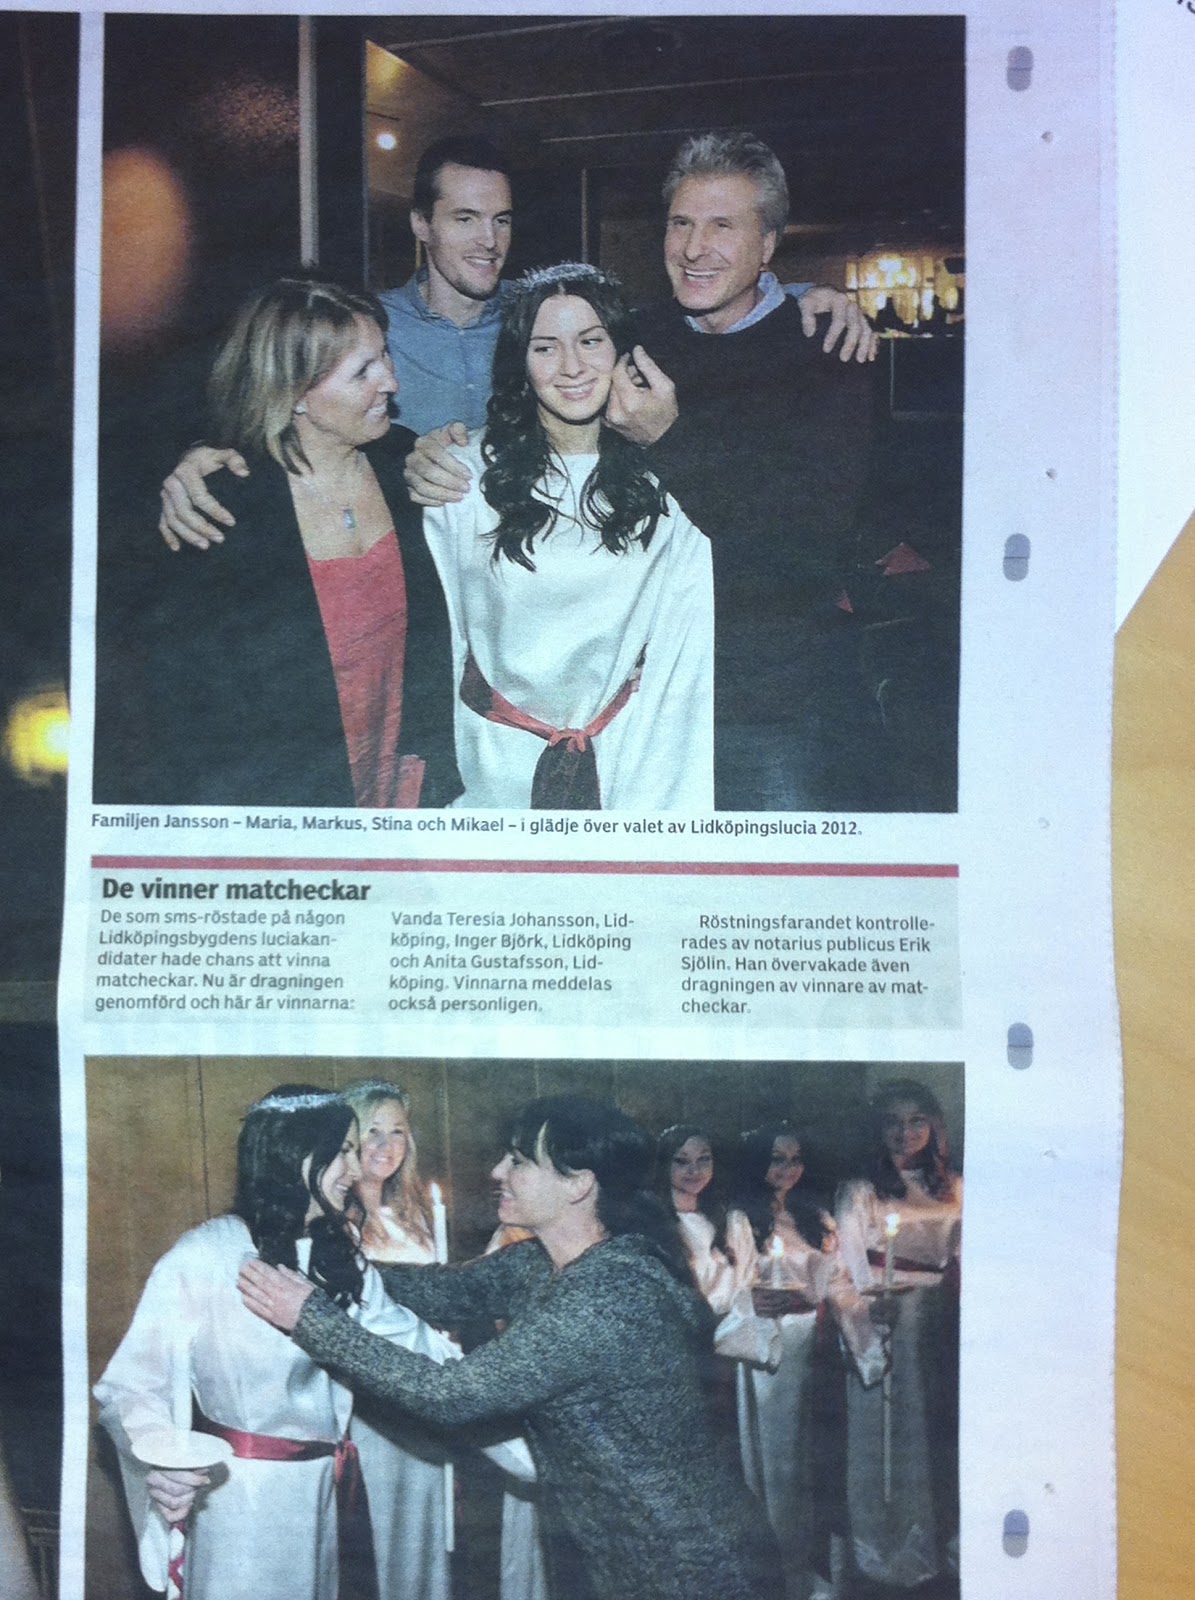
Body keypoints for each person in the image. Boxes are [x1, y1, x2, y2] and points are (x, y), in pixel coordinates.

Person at [407, 131, 897, 811]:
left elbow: (806, 541)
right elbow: (544, 393)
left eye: (723, 226)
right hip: (642, 707)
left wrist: (671, 435)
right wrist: (433, 451)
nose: (695, 248)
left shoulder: (826, 351)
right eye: (681, 223)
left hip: (767, 704)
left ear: (767, 244)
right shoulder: (639, 339)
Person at [156, 139, 872, 553]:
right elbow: (275, 386)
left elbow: (817, 522)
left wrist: (810, 295)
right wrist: (203, 455)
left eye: (501, 219)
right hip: (416, 586)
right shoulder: (368, 330)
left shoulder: (548, 327)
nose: (488, 240)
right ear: (420, 225)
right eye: (465, 218)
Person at [239, 1095, 784, 1600]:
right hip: (631, 1557)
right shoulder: (548, 1261)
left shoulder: (608, 1294)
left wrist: (311, 1318)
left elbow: (449, 1394)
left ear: (578, 1185)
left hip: (690, 1566)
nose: (498, 1171)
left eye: (520, 1161)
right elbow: (440, 1289)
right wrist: (325, 1257)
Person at [93, 1086, 458, 1600]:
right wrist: (164, 1456)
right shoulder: (208, 1253)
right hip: (243, 1504)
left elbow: (413, 1345)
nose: (357, 1170)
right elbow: (131, 1385)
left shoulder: (341, 1257)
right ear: (294, 1152)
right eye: (344, 1151)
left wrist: (484, 1386)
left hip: (330, 1497)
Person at [129, 274, 460, 807]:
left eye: (384, 355)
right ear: (296, 393)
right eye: (363, 371)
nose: (391, 382)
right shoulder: (224, 507)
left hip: (406, 785)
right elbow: (186, 709)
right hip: (289, 800)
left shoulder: (404, 463)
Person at [424, 261, 714, 809]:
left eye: (590, 341)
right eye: (545, 348)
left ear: (623, 351)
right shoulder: (464, 476)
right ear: (520, 361)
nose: (572, 367)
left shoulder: (669, 478)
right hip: (494, 769)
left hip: (630, 762)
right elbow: (442, 642)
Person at [834, 1081, 962, 1592]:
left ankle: (948, 1543)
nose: (904, 1133)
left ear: (934, 1127)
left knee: (943, 1431)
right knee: (893, 1438)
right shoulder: (860, 1190)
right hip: (888, 1321)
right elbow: (847, 1271)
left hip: (945, 1320)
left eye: (916, 1121)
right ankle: (890, 1547)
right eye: (892, 1121)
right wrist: (870, 1310)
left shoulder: (956, 1187)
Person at [341, 1080, 451, 1600]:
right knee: (376, 1534)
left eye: (398, 1132)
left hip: (424, 1394)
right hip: (370, 1402)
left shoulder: (416, 1220)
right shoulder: (339, 1224)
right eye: (373, 1132)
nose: (386, 1146)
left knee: (423, 1533)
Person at [727, 1125, 845, 1600]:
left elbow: (833, 1279)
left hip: (816, 1342)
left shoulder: (813, 1216)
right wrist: (751, 1298)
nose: (788, 1169)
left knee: (813, 1455)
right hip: (772, 1346)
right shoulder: (742, 1219)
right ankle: (778, 1571)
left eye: (796, 1159)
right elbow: (737, 1283)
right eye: (777, 1159)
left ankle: (813, 1568)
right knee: (778, 1461)